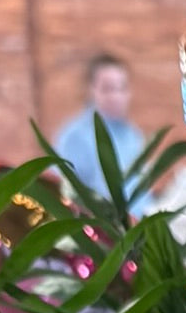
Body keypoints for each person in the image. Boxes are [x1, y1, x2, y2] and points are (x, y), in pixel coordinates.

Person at [54, 53, 148, 215]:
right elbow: (63, 193)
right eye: (107, 89)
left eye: (122, 88)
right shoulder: (74, 137)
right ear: (91, 91)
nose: (116, 97)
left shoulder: (134, 135)